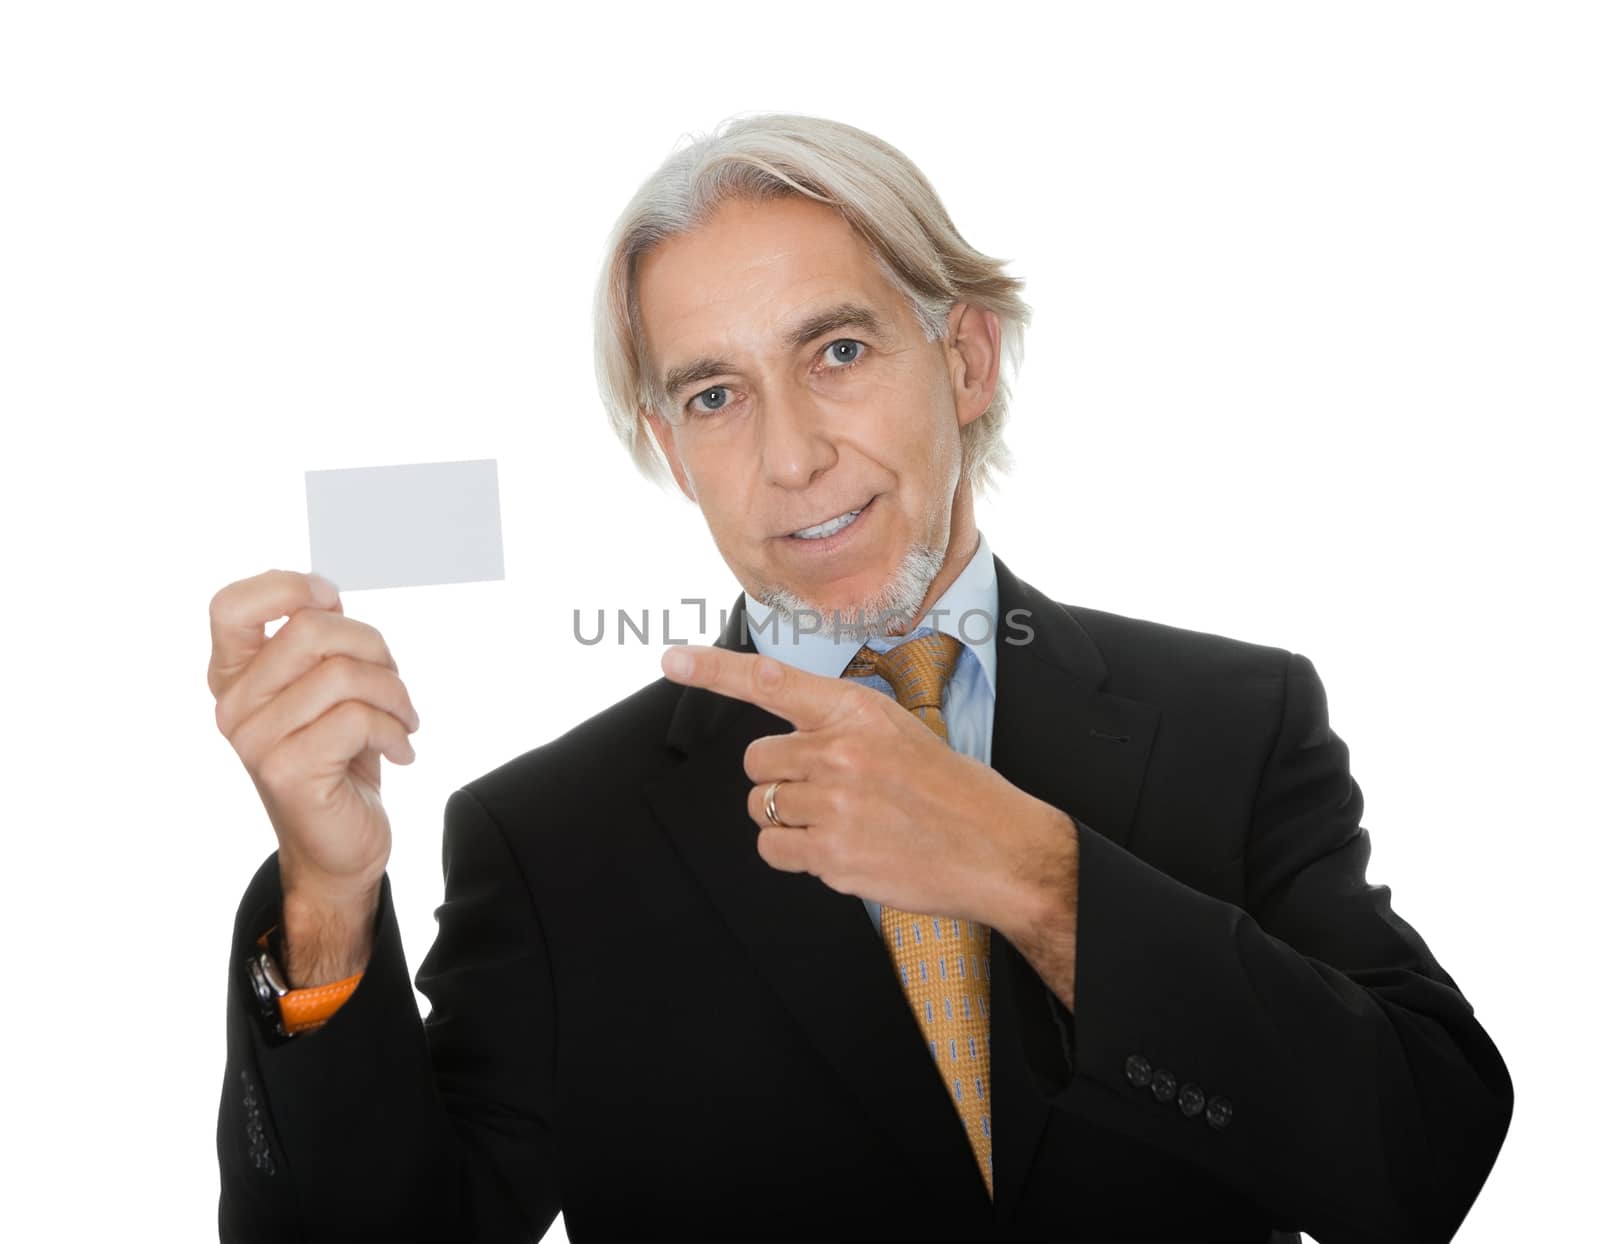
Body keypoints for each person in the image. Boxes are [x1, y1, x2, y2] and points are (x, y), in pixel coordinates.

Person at [211, 113, 1512, 1242]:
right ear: (673, 450)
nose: (791, 458)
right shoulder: (551, 839)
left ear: (964, 361)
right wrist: (328, 898)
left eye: (836, 353)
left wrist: (1038, 878)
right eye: (716, 396)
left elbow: (1419, 1162)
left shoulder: (1236, 722)